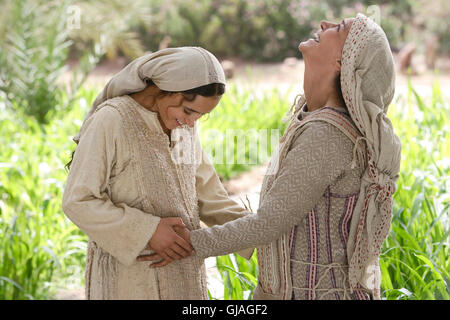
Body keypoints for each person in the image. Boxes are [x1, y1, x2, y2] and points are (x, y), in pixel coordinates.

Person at [143, 14, 402, 300]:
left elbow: (268, 223)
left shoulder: (327, 136)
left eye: (338, 29)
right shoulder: (313, 120)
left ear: (344, 62)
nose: (325, 24)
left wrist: (185, 244)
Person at [62, 47, 253, 300]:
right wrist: (147, 231)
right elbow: (78, 200)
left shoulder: (183, 127)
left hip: (184, 278)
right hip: (129, 281)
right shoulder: (112, 119)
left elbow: (210, 198)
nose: (192, 122)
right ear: (164, 89)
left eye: (201, 116)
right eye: (188, 111)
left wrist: (264, 231)